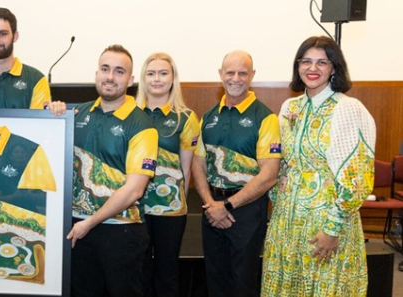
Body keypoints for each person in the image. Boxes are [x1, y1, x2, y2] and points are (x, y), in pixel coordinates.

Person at [261, 36, 376, 297]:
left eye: (322, 62)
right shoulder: (290, 107)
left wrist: (332, 229)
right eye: (306, 61)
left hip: (325, 222)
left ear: (334, 68)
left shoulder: (347, 108)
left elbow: (357, 178)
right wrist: (277, 203)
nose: (312, 68)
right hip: (287, 222)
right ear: (298, 66)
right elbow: (282, 164)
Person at [65, 44, 158, 297]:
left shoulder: (142, 125)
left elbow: (134, 189)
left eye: (119, 71)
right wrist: (52, 115)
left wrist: (90, 222)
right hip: (77, 230)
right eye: (105, 69)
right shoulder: (75, 114)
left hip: (121, 232)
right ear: (96, 73)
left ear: (130, 80)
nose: (110, 76)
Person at [192, 50, 281, 297]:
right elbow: (198, 165)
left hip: (247, 211)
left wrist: (227, 206)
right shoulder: (209, 116)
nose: (236, 78)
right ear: (221, 74)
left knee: (243, 281)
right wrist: (211, 204)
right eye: (230, 72)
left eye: (243, 73)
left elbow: (269, 175)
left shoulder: (265, 118)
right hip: (212, 210)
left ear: (252, 75)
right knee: (215, 278)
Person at [135, 52, 200, 297]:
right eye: (151, 74)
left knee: (167, 272)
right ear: (143, 79)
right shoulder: (130, 113)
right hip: (133, 207)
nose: (157, 79)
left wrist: (178, 204)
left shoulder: (186, 117)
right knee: (137, 270)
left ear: (173, 78)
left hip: (169, 210)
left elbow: (186, 169)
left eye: (164, 73)